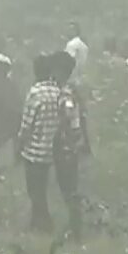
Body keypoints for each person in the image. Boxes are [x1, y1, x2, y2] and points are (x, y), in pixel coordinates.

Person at [17, 55, 62, 232]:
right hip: (53, 151)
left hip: (34, 152)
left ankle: (43, 223)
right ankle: (37, 222)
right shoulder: (58, 91)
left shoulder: (35, 93)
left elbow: (26, 125)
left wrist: (19, 145)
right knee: (41, 188)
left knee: (34, 190)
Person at [50, 51, 86, 241]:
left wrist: (63, 136)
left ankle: (76, 229)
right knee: (69, 187)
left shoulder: (65, 94)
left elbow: (70, 119)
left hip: (66, 147)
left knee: (69, 188)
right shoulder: (71, 90)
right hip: (70, 146)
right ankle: (75, 227)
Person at [0, 59, 23, 168]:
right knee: (15, 141)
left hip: (4, 117)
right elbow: (19, 101)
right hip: (15, 117)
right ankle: (17, 164)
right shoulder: (12, 85)